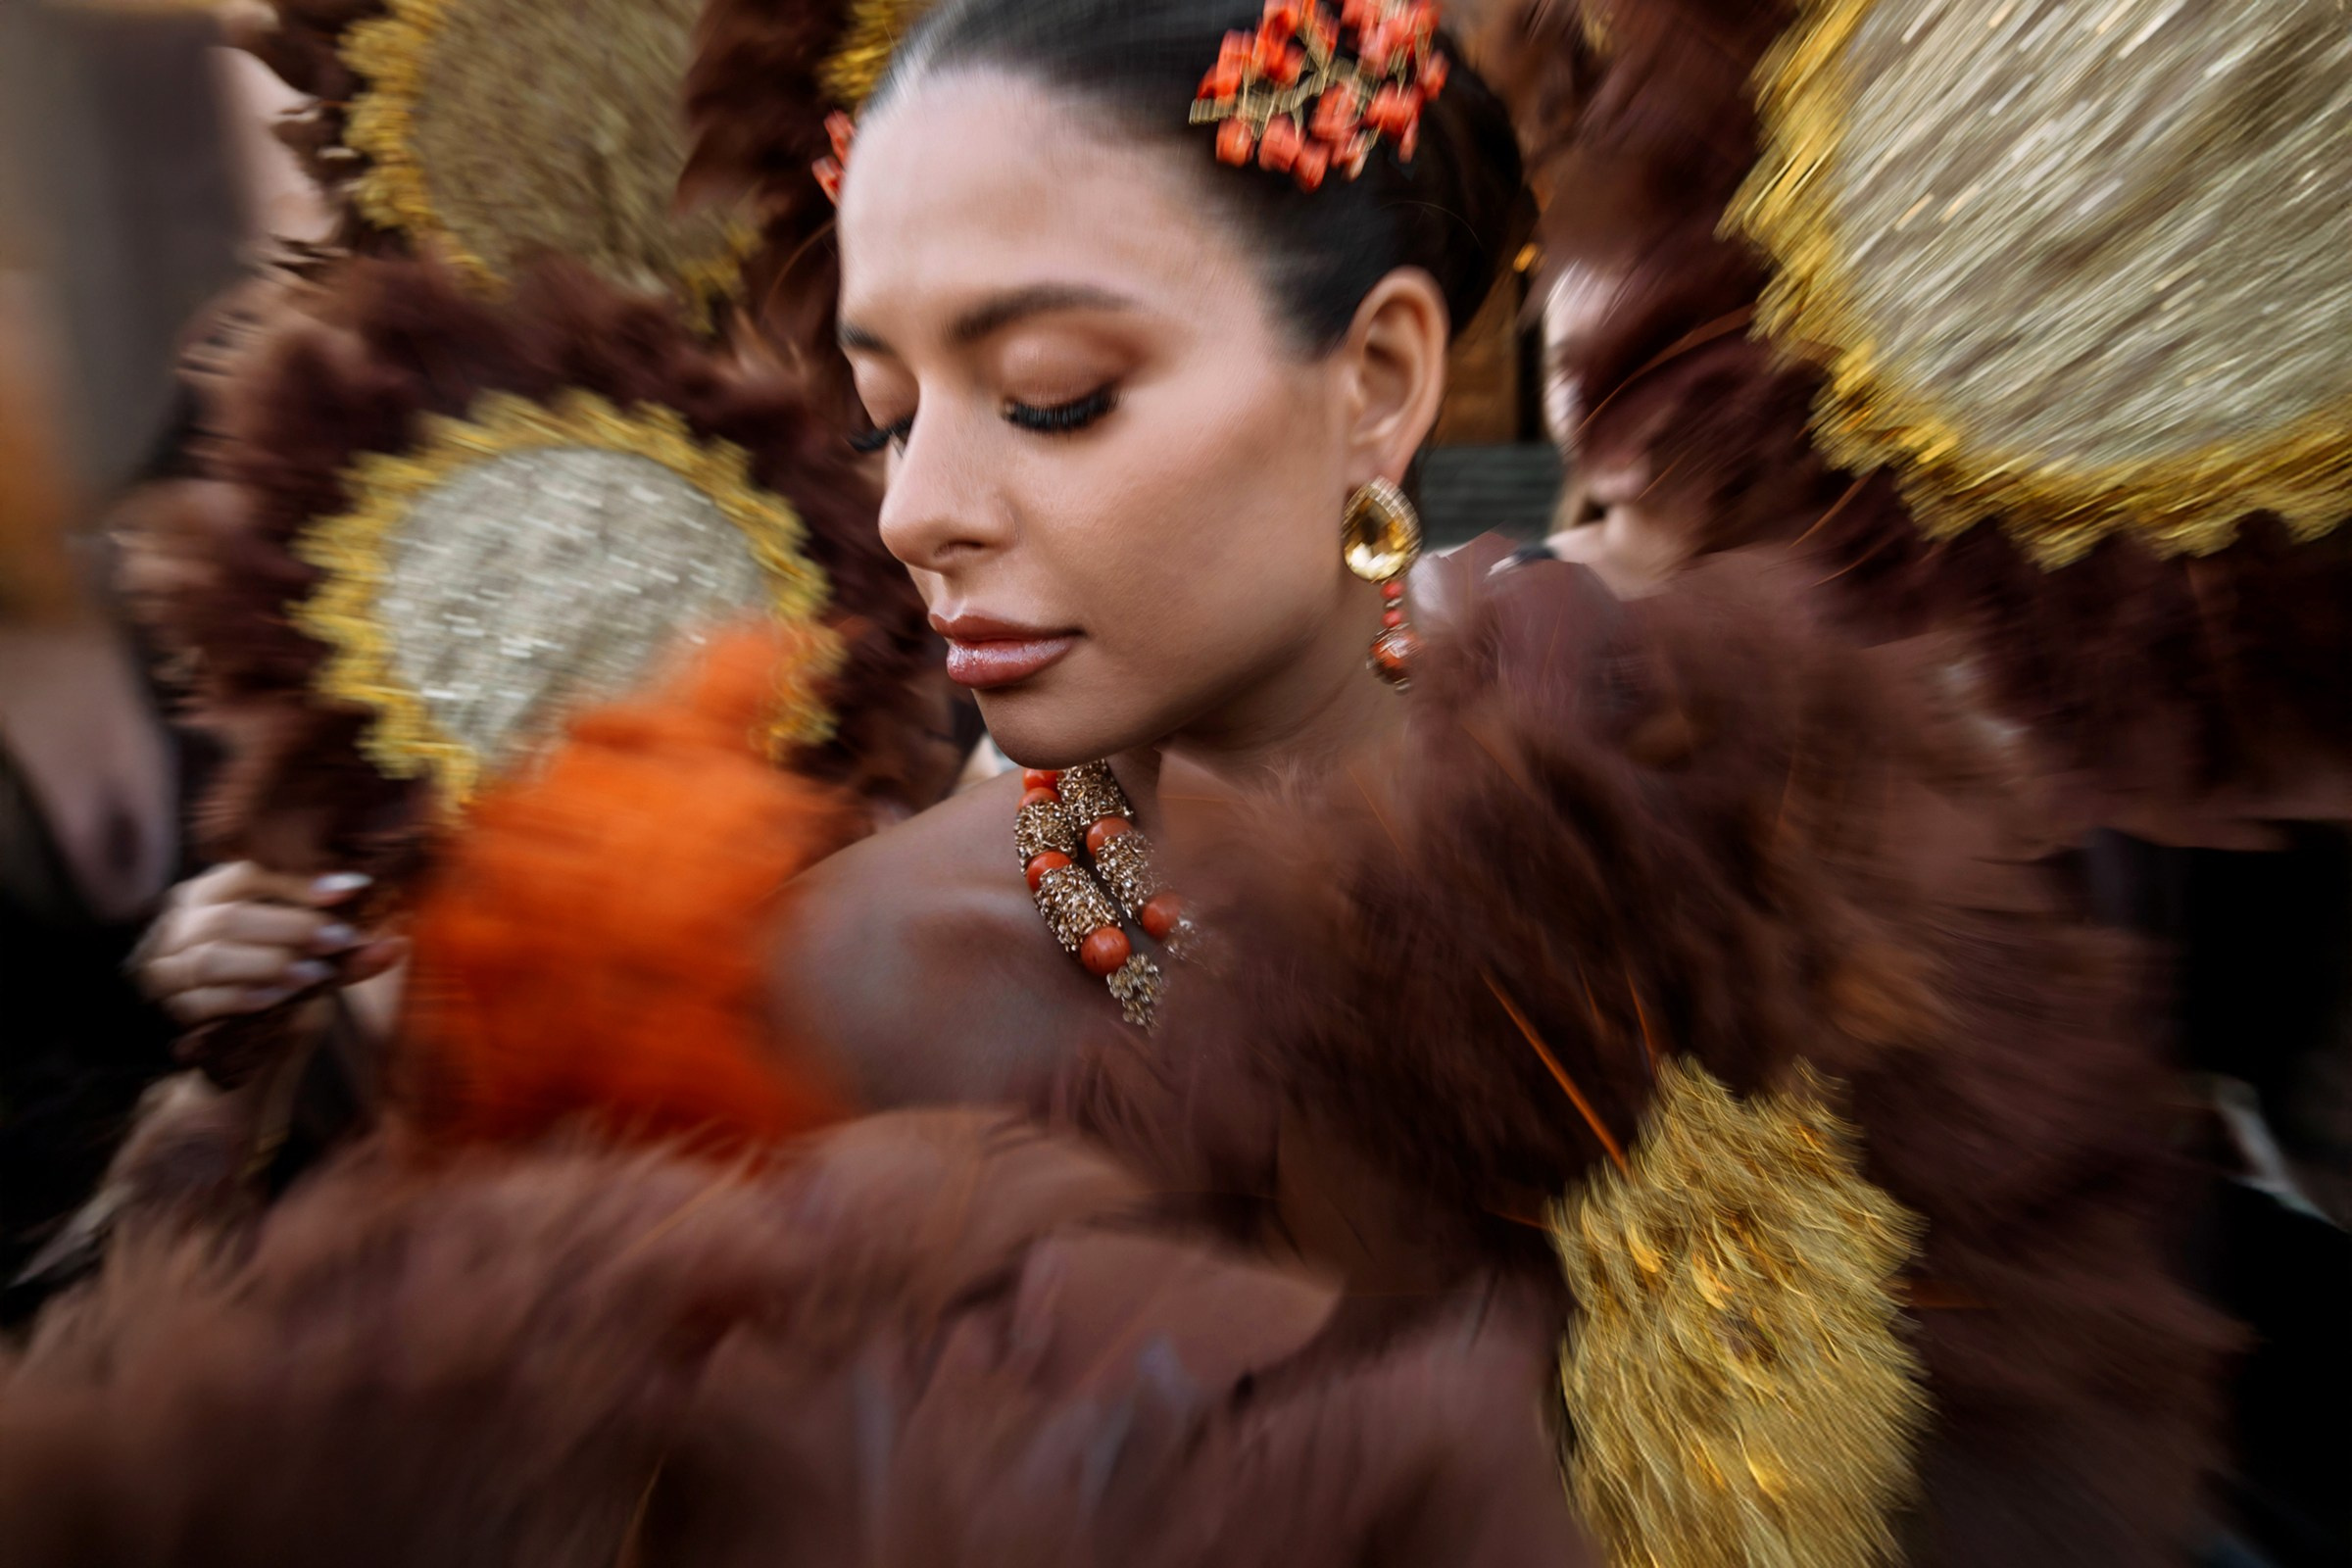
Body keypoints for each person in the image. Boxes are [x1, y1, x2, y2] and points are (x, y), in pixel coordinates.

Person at [4, 3, 2220, 1564]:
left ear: (1376, 382)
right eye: (887, 407)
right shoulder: (835, 982)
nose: (919, 511)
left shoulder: (1720, 793)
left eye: (1052, 393)